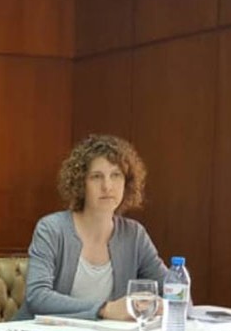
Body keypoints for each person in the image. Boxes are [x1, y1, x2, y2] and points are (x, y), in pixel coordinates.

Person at [19, 134, 167, 320]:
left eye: (116, 175)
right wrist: (105, 309)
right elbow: (37, 297)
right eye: (96, 177)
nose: (107, 186)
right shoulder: (51, 229)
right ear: (81, 184)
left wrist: (163, 306)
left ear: (127, 182)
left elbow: (173, 290)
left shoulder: (134, 234)